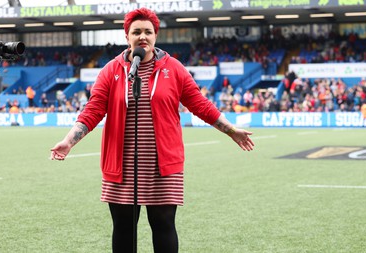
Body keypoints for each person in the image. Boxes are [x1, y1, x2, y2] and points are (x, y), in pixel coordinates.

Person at [50, 7, 254, 253]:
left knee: (164, 224)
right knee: (124, 227)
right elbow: (93, 111)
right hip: (121, 165)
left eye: (148, 31)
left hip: (163, 164)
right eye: (136, 32)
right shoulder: (111, 71)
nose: (142, 36)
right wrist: (69, 141)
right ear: (127, 37)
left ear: (156, 36)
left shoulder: (175, 69)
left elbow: (200, 104)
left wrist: (230, 130)